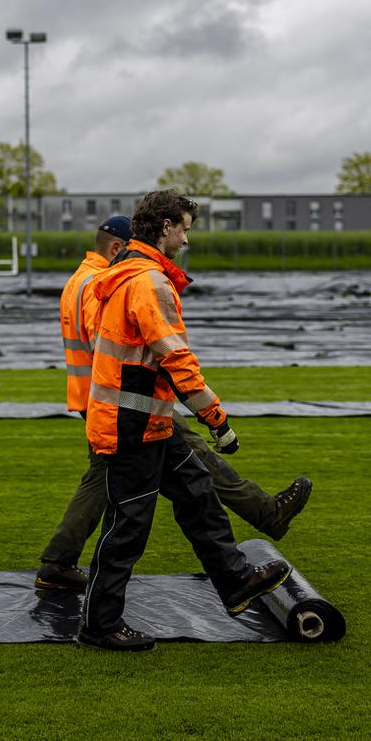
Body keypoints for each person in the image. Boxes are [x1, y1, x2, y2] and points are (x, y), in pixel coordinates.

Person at [35, 216, 312, 592]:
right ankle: (264, 517)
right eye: (131, 249)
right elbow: (116, 343)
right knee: (189, 469)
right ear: (117, 249)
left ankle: (59, 563)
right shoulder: (101, 284)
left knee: (108, 483)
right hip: (125, 404)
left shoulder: (80, 279)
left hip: (102, 402)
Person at [76, 190, 293, 652]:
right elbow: (176, 358)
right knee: (128, 526)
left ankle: (235, 581)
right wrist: (216, 418)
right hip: (131, 424)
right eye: (186, 229)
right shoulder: (149, 282)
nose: (187, 240)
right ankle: (99, 625)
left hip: (145, 419)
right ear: (167, 226)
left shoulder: (126, 274)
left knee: (197, 492)